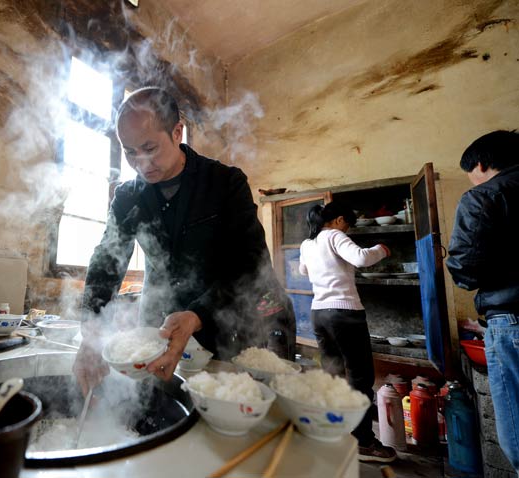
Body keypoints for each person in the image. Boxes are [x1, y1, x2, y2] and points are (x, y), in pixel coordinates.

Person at [73, 86, 296, 396]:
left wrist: (198, 315)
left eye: (150, 148)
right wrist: (91, 335)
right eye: (130, 151)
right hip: (158, 330)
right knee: (156, 412)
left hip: (223, 328)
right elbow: (107, 261)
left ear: (177, 131)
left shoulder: (225, 184)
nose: (141, 163)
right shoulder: (128, 197)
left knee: (218, 416)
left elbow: (250, 266)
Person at [298, 202, 396, 463]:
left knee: (333, 375)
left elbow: (303, 271)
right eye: (348, 225)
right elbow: (361, 258)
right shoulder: (335, 235)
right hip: (344, 312)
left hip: (319, 313)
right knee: (359, 378)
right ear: (340, 220)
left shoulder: (307, 244)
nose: (347, 230)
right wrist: (382, 249)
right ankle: (364, 441)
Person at [446, 130, 519, 473]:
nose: (472, 181)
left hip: (512, 320)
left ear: (480, 163)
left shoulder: (483, 197)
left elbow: (465, 270)